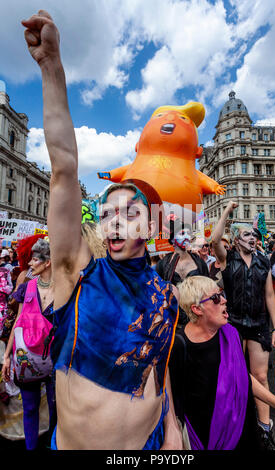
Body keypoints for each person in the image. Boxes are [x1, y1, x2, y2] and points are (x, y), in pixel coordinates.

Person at [21, 10, 182, 451]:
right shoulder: (78, 272)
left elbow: (158, 367)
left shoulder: (164, 293)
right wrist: (51, 65)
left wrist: (171, 427)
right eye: (107, 213)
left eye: (128, 214)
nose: (114, 222)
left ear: (150, 227)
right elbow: (63, 168)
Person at [169, 276, 275, 450]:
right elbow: (171, 403)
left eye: (221, 294)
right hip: (206, 440)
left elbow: (244, 378)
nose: (224, 300)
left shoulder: (231, 333)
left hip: (246, 432)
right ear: (197, 309)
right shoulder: (178, 347)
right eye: (215, 298)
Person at [211, 201, 275, 450]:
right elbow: (215, 238)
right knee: (234, 373)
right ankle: (237, 421)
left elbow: (270, 296)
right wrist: (228, 211)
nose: (253, 238)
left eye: (254, 234)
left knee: (261, 375)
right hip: (234, 323)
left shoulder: (263, 261)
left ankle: (264, 427)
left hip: (259, 324)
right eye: (247, 234)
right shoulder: (226, 258)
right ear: (237, 239)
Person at [1, 238, 56, 450]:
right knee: (30, 409)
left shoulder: (66, 289)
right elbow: (18, 321)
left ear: (48, 262)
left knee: (56, 411)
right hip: (26, 362)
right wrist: (7, 356)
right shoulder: (27, 287)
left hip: (55, 362)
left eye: (34, 259)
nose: (30, 264)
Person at [156, 220, 209, 327]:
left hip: (197, 318)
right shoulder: (163, 264)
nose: (186, 237)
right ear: (172, 239)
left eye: (188, 234)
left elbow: (207, 289)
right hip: (173, 321)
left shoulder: (199, 263)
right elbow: (158, 293)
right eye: (182, 234)